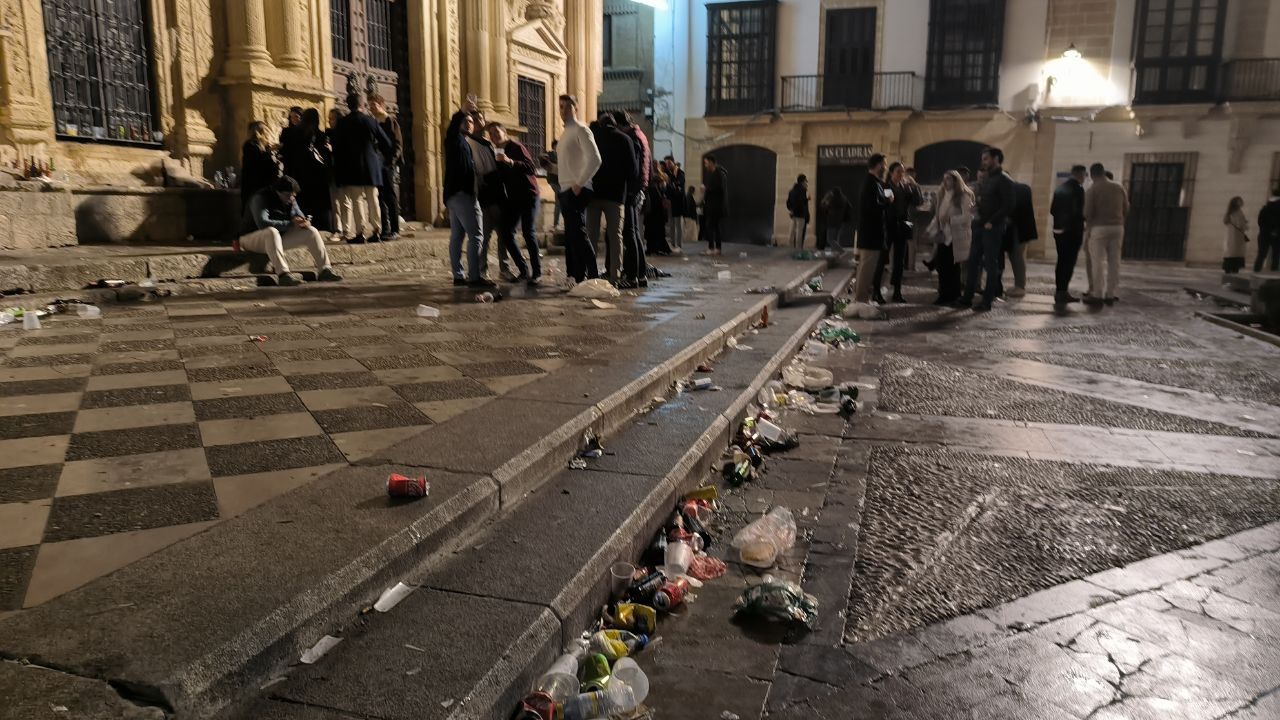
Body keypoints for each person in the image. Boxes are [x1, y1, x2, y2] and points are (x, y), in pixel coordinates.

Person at [237, 176, 341, 287]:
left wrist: (304, 222)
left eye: (293, 196)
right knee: (271, 231)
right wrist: (291, 224)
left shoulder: (291, 199)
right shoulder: (261, 197)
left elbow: (299, 215)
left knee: (311, 231)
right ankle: (283, 275)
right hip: (249, 238)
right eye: (287, 195)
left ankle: (325, 270)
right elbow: (262, 223)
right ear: (278, 192)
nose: (291, 199)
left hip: (276, 239)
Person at [442, 102, 494, 288]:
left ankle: (458, 275)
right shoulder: (455, 139)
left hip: (455, 195)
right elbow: (452, 130)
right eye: (465, 120)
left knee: (457, 236)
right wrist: (461, 112)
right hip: (463, 195)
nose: (468, 123)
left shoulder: (465, 143)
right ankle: (474, 276)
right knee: (477, 235)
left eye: (471, 121)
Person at [332, 92, 393, 244]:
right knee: (373, 199)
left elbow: (337, 148)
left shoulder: (342, 123)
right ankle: (377, 230)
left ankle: (360, 233)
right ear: (362, 105)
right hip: (371, 166)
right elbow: (386, 142)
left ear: (348, 105)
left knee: (357, 200)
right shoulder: (370, 121)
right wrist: (379, 158)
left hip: (352, 166)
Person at [959, 147, 1015, 312]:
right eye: (983, 158)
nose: (983, 161)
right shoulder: (989, 178)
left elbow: (1009, 205)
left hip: (992, 228)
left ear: (996, 159)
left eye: (986, 158)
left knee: (990, 264)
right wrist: (976, 207)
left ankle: (987, 301)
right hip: (979, 225)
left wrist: (992, 221)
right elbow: (985, 200)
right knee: (973, 262)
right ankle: (967, 298)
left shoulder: (1004, 179)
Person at [486, 121, 542, 285]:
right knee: (506, 232)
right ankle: (523, 270)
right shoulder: (496, 152)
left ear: (504, 132)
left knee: (528, 232)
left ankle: (537, 273)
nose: (494, 135)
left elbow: (531, 168)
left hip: (529, 195)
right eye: (491, 133)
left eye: (496, 132)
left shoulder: (516, 147)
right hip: (513, 198)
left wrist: (510, 161)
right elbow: (499, 177)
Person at [555, 94, 603, 283]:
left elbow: (595, 159)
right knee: (572, 237)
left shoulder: (581, 129)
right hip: (566, 189)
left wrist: (579, 183)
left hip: (577, 189)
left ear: (576, 108)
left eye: (568, 106)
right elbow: (569, 165)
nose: (564, 110)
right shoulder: (565, 134)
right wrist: (551, 168)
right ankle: (576, 276)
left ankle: (593, 275)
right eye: (561, 106)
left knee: (579, 235)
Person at [587, 113, 637, 285]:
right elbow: (633, 171)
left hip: (593, 194)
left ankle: (591, 274)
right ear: (615, 124)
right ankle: (615, 277)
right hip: (616, 196)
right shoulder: (625, 139)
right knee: (616, 236)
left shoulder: (593, 139)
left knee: (591, 235)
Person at [612, 110, 650, 288]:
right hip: (638, 188)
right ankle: (640, 275)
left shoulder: (631, 138)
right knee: (634, 233)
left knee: (630, 233)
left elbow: (633, 166)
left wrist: (629, 189)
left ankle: (633, 276)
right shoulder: (639, 134)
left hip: (631, 190)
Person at [875, 162, 923, 303]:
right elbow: (888, 204)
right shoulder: (886, 186)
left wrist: (914, 186)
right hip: (889, 226)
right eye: (898, 171)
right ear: (891, 173)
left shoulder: (906, 187)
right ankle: (876, 291)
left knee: (900, 261)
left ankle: (897, 292)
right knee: (883, 259)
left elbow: (918, 201)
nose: (901, 174)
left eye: (903, 172)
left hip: (903, 225)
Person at [280, 108, 333, 233]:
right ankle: (321, 225)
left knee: (303, 201)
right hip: (317, 174)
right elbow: (325, 155)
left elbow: (286, 153)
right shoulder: (319, 135)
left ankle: (303, 224)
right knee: (318, 202)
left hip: (299, 174)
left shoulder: (293, 133)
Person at [925, 170, 974, 306]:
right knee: (942, 266)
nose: (945, 181)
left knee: (953, 268)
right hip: (943, 235)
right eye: (944, 178)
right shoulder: (944, 194)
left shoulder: (964, 196)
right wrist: (930, 229)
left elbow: (968, 217)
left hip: (956, 237)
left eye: (948, 179)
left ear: (955, 181)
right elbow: (938, 215)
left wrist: (951, 220)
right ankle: (943, 294)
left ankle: (953, 295)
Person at [1083, 162, 1128, 306]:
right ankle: (1111, 293)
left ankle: (1097, 294)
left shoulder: (1092, 189)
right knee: (1115, 262)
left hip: (1099, 228)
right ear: (1103, 172)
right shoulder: (1119, 187)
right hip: (1118, 227)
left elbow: (1087, 212)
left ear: (1092, 175)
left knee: (1097, 261)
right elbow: (1126, 208)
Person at [854, 153, 891, 304]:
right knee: (866, 269)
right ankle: (861, 300)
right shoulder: (871, 183)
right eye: (884, 164)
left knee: (867, 268)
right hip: (870, 234)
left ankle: (861, 298)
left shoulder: (874, 182)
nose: (885, 168)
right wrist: (887, 202)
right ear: (878, 166)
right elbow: (871, 207)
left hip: (872, 234)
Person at [368, 94, 403, 242]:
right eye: (370, 105)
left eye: (374, 105)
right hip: (377, 165)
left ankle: (395, 229)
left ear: (381, 105)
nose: (371, 108)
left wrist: (391, 162)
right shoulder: (373, 122)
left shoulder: (391, 121)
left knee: (390, 197)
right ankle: (385, 229)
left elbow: (398, 144)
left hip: (387, 164)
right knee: (380, 197)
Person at [1050, 165, 1087, 304]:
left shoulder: (1060, 188)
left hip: (1058, 230)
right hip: (1072, 232)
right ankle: (1063, 291)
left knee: (1061, 261)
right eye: (1084, 175)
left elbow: (1052, 210)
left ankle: (1059, 290)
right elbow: (1079, 212)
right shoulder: (1078, 189)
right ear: (1081, 174)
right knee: (1069, 262)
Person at [1004, 179, 1037, 297]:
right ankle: (1019, 285)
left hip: (1017, 229)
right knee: (1016, 257)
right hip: (1023, 229)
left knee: (1016, 257)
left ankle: (1020, 286)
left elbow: (1012, 210)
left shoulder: (1014, 190)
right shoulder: (1024, 188)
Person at [240, 121, 281, 213]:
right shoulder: (250, 145)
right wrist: (269, 152)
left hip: (264, 184)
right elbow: (257, 162)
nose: (267, 132)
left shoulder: (263, 145)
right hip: (255, 185)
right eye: (265, 130)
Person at [702, 155, 728, 256]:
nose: (705, 165)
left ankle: (713, 248)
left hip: (716, 206)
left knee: (711, 226)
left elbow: (719, 189)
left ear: (711, 162)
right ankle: (716, 248)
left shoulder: (718, 173)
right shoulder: (715, 173)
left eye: (706, 163)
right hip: (713, 205)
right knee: (715, 227)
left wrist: (706, 189)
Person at [646, 162, 673, 255]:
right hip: (656, 215)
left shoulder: (652, 188)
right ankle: (657, 248)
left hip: (652, 215)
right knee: (657, 232)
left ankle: (653, 248)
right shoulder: (655, 189)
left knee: (653, 232)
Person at [664, 156, 686, 251]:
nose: (668, 165)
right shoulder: (668, 173)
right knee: (671, 224)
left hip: (678, 202)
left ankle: (679, 245)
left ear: (673, 162)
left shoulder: (680, 173)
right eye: (666, 164)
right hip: (671, 202)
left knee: (678, 225)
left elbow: (678, 186)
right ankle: (673, 244)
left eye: (669, 163)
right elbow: (668, 188)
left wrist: (670, 182)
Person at [819, 188, 851, 252]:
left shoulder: (832, 200)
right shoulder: (844, 199)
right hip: (840, 222)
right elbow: (849, 207)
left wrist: (825, 200)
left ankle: (841, 251)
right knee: (836, 239)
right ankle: (835, 253)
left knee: (830, 239)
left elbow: (824, 207)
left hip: (832, 221)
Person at [1258, 187, 1280, 272]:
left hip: (1264, 233)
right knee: (1275, 255)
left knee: (1261, 254)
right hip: (1276, 234)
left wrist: (1264, 229)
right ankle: (1273, 272)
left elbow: (1260, 221)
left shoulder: (1265, 207)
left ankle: (1256, 270)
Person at [542, 141, 561, 231]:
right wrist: (551, 166)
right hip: (554, 181)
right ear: (554, 146)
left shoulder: (562, 155)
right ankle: (556, 224)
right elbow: (541, 157)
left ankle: (557, 224)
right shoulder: (550, 154)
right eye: (558, 146)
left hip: (561, 182)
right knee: (559, 200)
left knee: (560, 202)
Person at [787, 175, 810, 248]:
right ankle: (798, 248)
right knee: (799, 232)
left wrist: (791, 210)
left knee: (792, 231)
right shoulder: (802, 190)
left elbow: (788, 202)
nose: (806, 183)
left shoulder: (791, 191)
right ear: (802, 181)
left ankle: (790, 246)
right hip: (800, 213)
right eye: (805, 181)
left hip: (793, 213)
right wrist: (807, 199)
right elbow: (801, 202)